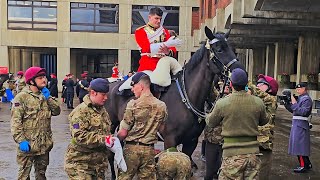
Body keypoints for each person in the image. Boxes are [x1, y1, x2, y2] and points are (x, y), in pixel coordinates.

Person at [206, 68, 268, 179]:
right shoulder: (258, 102)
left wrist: (207, 115)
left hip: (232, 156)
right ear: (246, 83)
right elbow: (264, 121)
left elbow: (211, 123)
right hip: (253, 156)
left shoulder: (223, 103)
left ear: (231, 84)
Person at [11, 67, 61, 179]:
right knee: (24, 176)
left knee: (41, 175)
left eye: (44, 77)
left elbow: (56, 111)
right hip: (28, 145)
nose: (44, 80)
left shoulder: (45, 96)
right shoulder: (22, 97)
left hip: (43, 145)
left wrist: (48, 98)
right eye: (40, 78)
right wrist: (21, 140)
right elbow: (16, 122)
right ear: (31, 81)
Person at [117, 72, 168, 179]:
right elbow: (162, 129)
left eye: (133, 86)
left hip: (131, 150)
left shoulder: (133, 104)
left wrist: (115, 142)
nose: (132, 89)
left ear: (140, 86)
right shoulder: (161, 105)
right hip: (149, 151)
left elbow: (123, 132)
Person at [64, 78, 117, 179]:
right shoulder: (81, 112)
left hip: (98, 165)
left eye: (106, 94)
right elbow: (79, 136)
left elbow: (105, 131)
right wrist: (105, 139)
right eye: (103, 95)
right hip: (81, 164)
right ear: (93, 93)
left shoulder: (102, 110)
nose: (106, 98)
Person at [247, 74, 278, 179]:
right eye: (258, 84)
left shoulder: (271, 100)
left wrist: (246, 81)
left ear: (270, 88)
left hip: (263, 145)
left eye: (262, 84)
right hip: (252, 143)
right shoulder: (255, 100)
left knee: (261, 175)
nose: (258, 86)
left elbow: (258, 93)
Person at [283, 82, 313, 173]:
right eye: (297, 88)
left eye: (299, 88)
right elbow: (294, 110)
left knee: (300, 146)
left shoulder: (306, 99)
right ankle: (307, 163)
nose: (297, 90)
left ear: (305, 89)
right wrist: (287, 103)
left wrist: (294, 103)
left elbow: (303, 112)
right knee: (298, 145)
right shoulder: (300, 98)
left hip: (301, 124)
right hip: (297, 123)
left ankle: (304, 165)